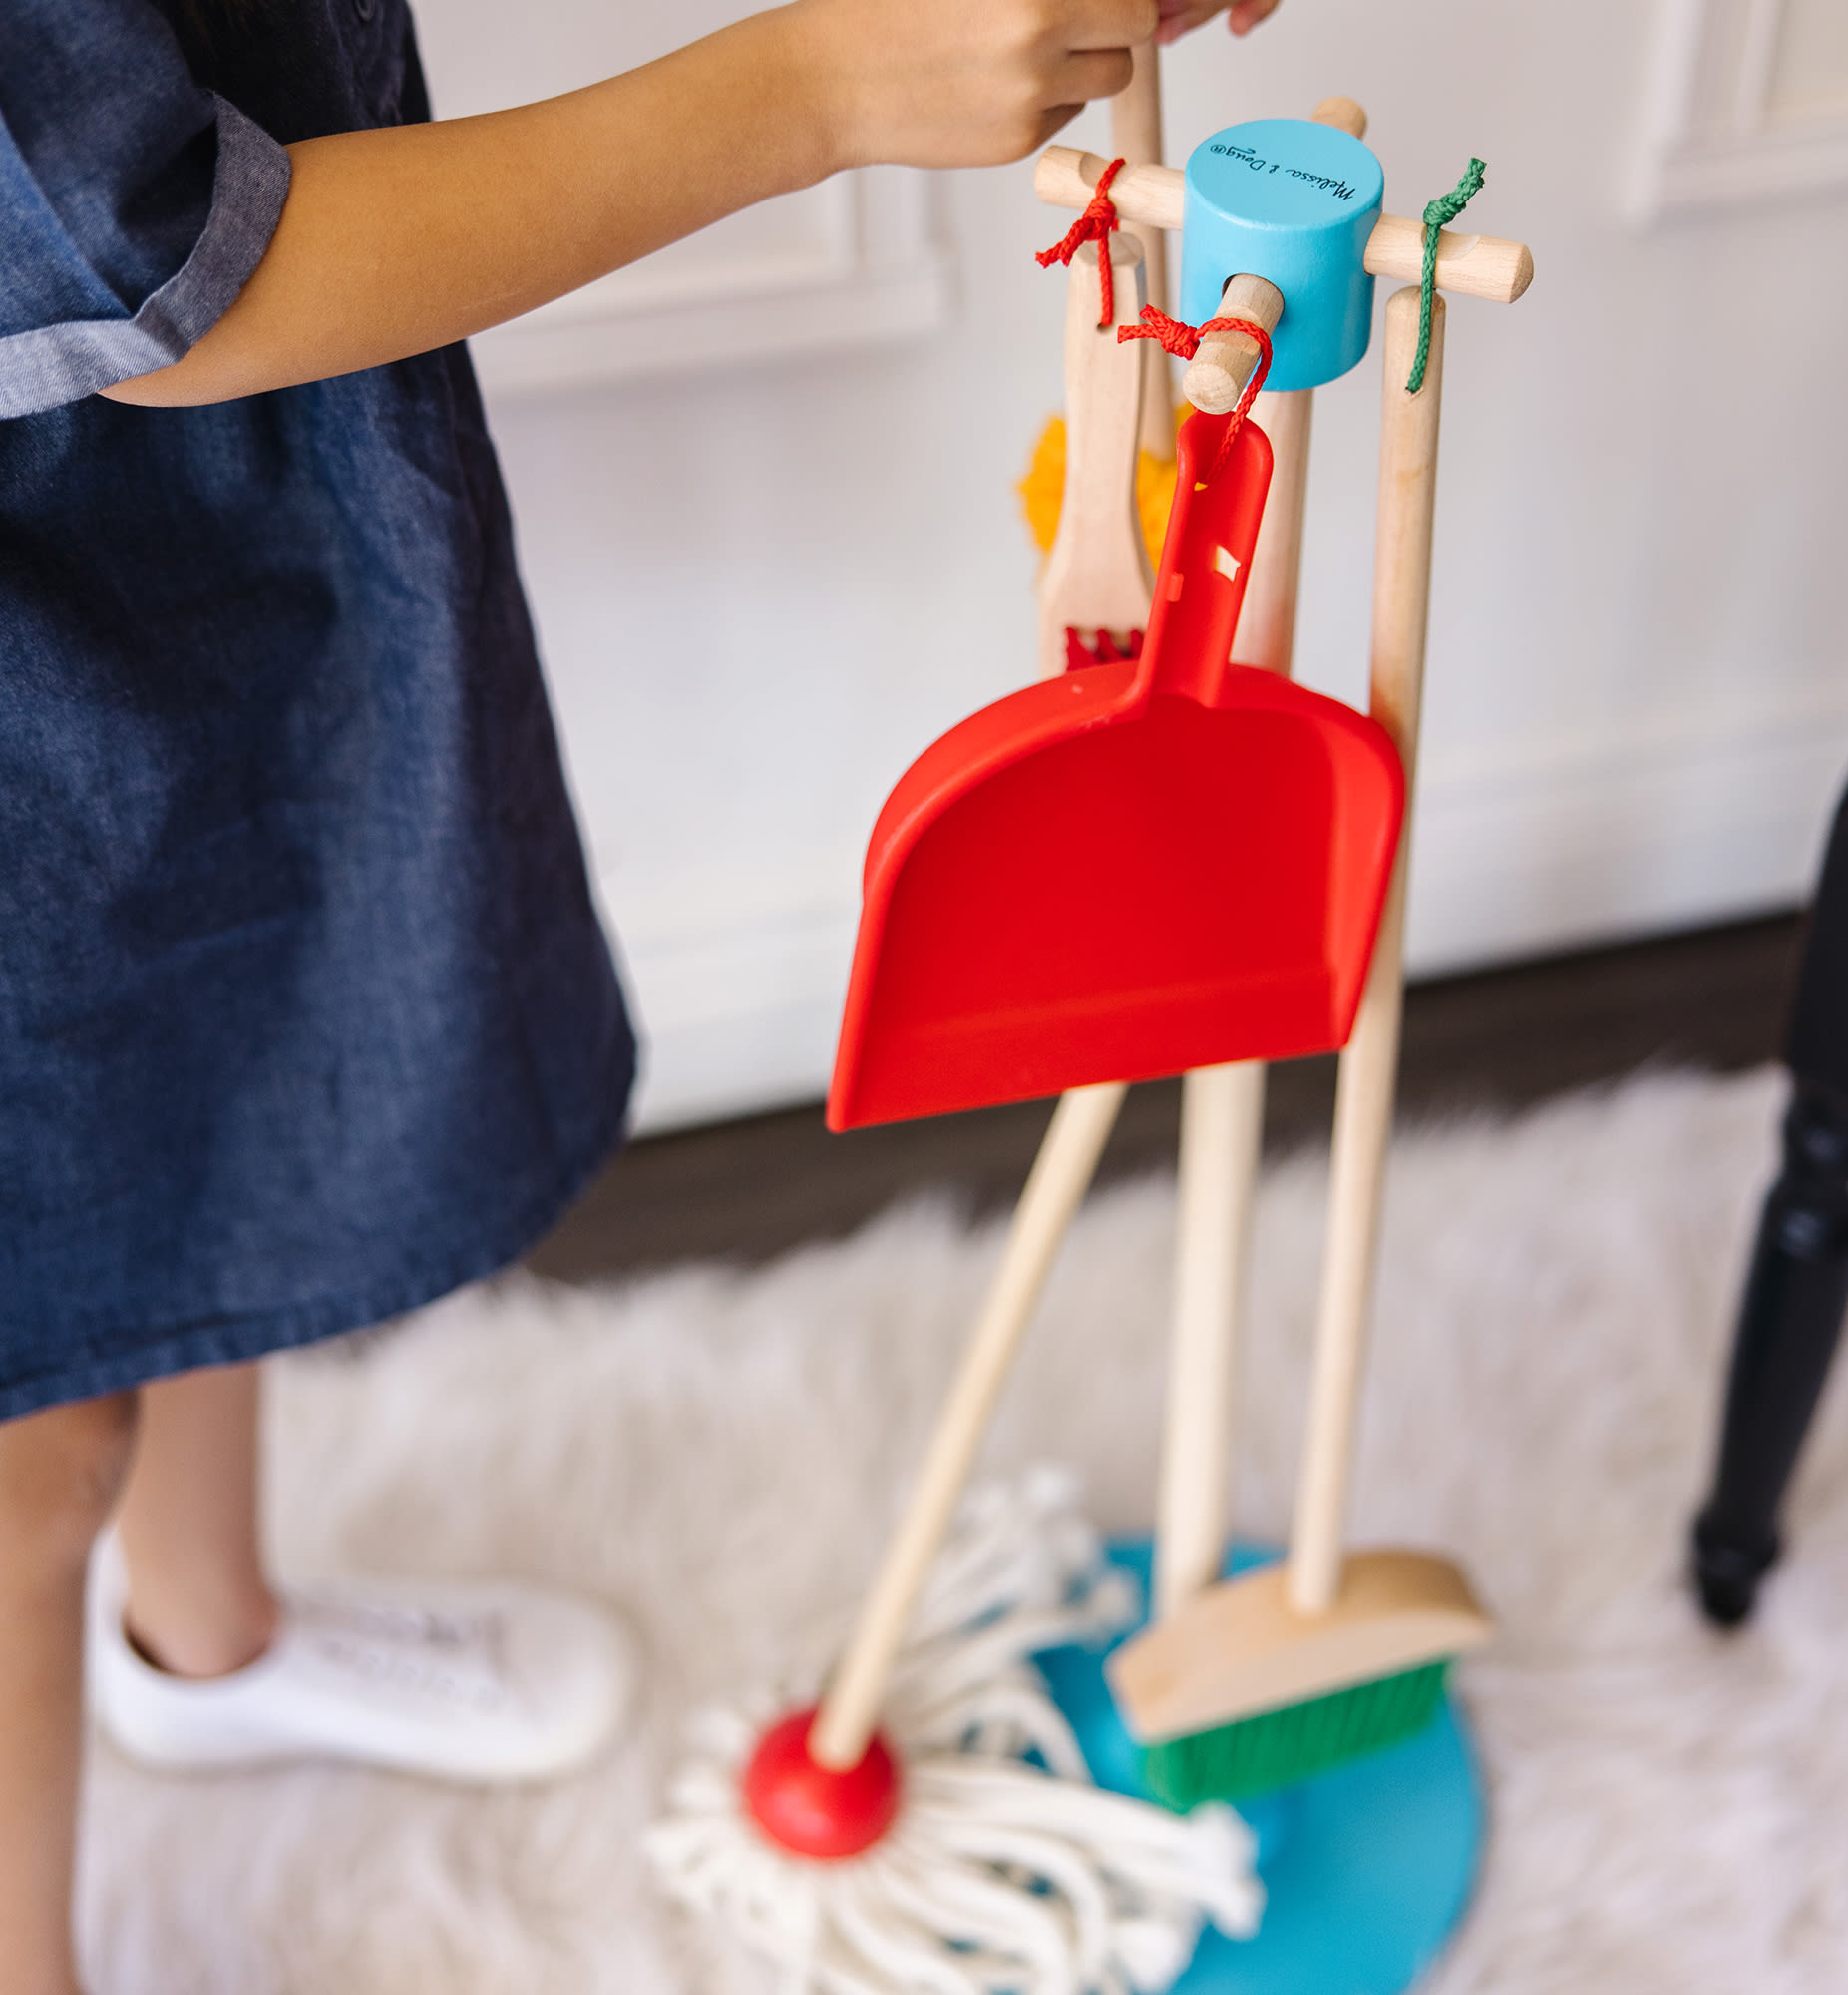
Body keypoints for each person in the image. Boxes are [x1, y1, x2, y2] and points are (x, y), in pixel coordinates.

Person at [0, 0, 1281, 1986]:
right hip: (59, 568)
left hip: (197, 523)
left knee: (214, 1070)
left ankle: (212, 1635)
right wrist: (826, 86)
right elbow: (160, 274)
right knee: (35, 1425)